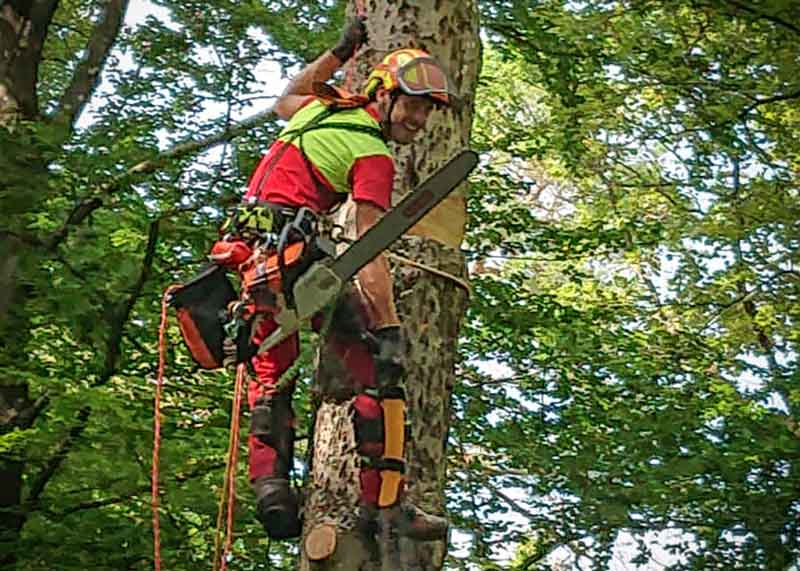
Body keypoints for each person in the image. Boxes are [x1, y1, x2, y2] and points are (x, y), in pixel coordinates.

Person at [216, 18, 453, 542]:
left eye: (428, 109)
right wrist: (389, 326)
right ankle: (385, 502)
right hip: (289, 259)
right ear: (385, 96)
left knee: (271, 374)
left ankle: (271, 489)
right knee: (374, 366)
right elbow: (371, 249)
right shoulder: (371, 153)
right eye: (413, 104)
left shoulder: (324, 108)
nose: (419, 119)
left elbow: (286, 99)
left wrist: (339, 51)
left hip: (255, 257)